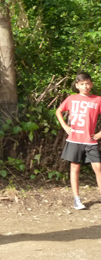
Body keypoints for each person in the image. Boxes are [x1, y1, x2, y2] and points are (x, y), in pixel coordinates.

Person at [56, 72, 101, 210]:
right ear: (77, 85)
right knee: (75, 168)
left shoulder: (97, 99)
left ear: (91, 84)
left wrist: (100, 134)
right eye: (82, 84)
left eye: (87, 83)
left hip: (90, 140)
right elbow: (59, 111)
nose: (85, 86)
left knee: (98, 167)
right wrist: (65, 126)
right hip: (75, 139)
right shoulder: (71, 98)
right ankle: (77, 199)